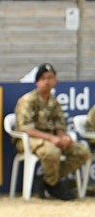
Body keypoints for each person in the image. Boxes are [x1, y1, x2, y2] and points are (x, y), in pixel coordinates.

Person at [14, 63, 89, 200]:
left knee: (82, 153)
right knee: (52, 152)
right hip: (29, 140)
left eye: (50, 78)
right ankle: (54, 185)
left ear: (56, 81)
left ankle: (47, 181)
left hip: (51, 139)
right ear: (37, 82)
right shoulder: (28, 100)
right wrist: (51, 138)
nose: (47, 82)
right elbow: (26, 128)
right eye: (43, 78)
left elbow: (59, 124)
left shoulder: (54, 102)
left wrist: (62, 137)